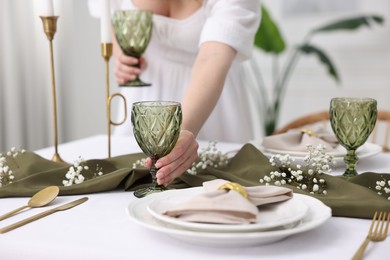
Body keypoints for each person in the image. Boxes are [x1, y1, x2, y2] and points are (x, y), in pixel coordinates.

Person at [88, 0, 261, 186]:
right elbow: (110, 14)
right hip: (144, 106)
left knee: (217, 192)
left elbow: (212, 57)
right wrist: (121, 52)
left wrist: (180, 131)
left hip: (211, 103)